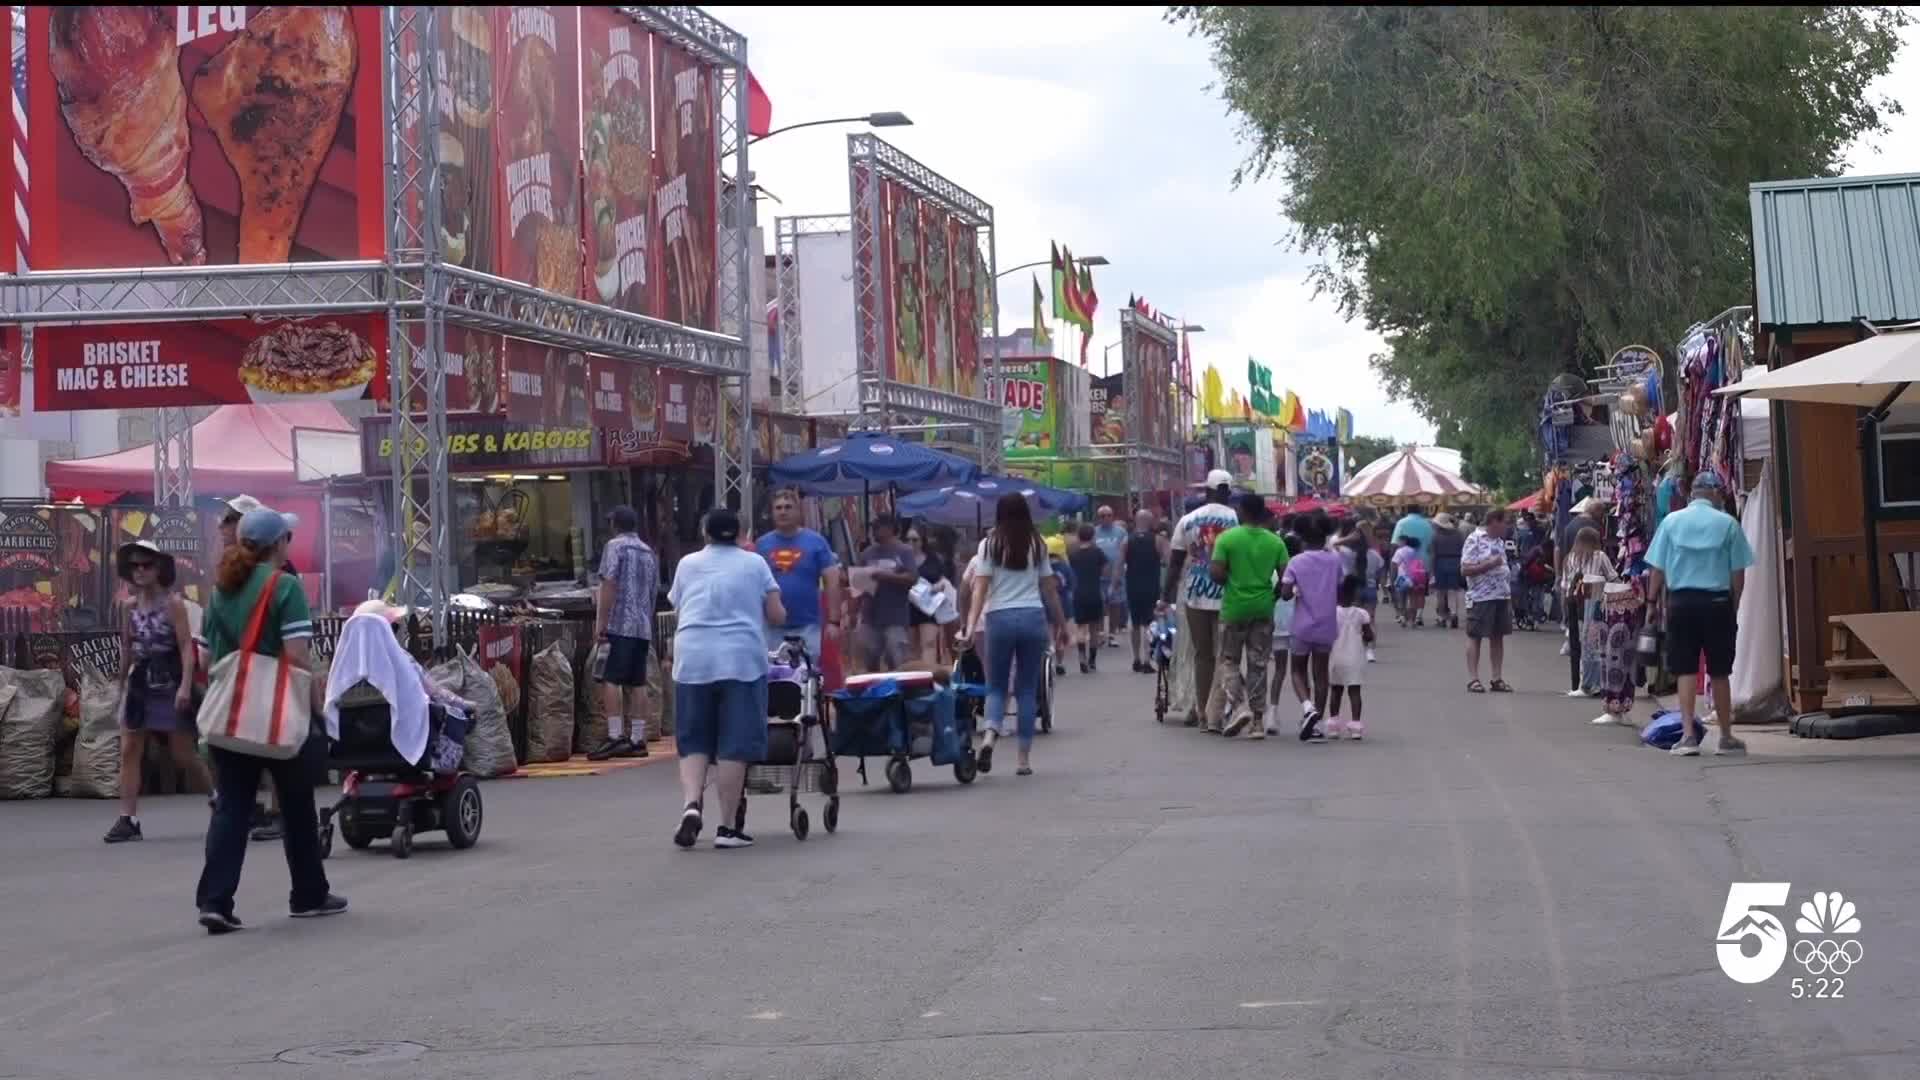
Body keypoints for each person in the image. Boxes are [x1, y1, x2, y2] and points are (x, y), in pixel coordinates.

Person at [195, 508, 344, 934]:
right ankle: (308, 895)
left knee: (231, 807)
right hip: (276, 715)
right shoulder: (285, 586)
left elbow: (204, 659)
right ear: (279, 544)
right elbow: (297, 657)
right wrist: (317, 709)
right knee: (296, 805)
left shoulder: (220, 589)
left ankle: (216, 902)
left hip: (231, 714)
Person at [668, 508, 785, 849]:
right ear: (740, 535)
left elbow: (679, 608)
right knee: (734, 743)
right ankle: (728, 828)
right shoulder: (755, 564)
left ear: (705, 533)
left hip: (693, 657)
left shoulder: (687, 564)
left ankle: (691, 804)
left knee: (694, 739)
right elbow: (776, 614)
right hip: (741, 661)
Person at [958, 494, 1072, 777]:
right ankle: (1023, 759)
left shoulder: (989, 545)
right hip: (1033, 617)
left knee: (996, 687)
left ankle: (989, 736)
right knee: (1026, 690)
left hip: (999, 617)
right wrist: (1062, 624)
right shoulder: (1037, 544)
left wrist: (970, 626)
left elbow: (979, 590)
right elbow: (1049, 589)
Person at [103, 541, 209, 844]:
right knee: (129, 749)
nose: (140, 570)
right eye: (134, 565)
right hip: (140, 683)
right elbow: (127, 648)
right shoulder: (128, 607)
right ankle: (128, 819)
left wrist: (185, 686)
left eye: (146, 565)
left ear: (158, 568)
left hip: (169, 680)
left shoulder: (173, 604)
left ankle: (218, 799)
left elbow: (186, 648)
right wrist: (120, 686)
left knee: (183, 754)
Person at [1646, 472, 1752, 757]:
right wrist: (1735, 604)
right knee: (1720, 670)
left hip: (1681, 603)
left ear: (1692, 494)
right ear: (1715, 493)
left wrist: (1651, 604)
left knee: (1686, 669)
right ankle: (1726, 737)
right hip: (1717, 603)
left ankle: (1688, 736)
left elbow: (1657, 569)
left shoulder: (1671, 522)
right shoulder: (1728, 524)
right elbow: (1738, 572)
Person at [1161, 470, 1242, 730]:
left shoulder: (1187, 520)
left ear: (1207, 491)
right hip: (1227, 594)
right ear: (1228, 492)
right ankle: (1219, 711)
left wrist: (1164, 597)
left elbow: (1175, 563)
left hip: (1195, 594)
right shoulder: (1236, 520)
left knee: (1202, 655)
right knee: (1224, 655)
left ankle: (1202, 711)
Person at [1208, 493, 1287, 738]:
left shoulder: (1226, 539)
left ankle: (1239, 706)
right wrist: (1272, 596)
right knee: (1259, 664)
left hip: (1234, 608)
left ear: (1241, 511)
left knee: (1228, 661)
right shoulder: (1275, 542)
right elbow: (1286, 578)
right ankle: (1258, 723)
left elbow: (1216, 574)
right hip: (1263, 608)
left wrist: (1233, 580)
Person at [589, 506, 658, 761]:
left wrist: (601, 622)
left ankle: (615, 735)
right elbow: (653, 592)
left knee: (611, 679)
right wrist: (646, 620)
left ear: (615, 524)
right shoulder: (648, 552)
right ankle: (638, 739)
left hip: (619, 624)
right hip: (642, 627)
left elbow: (608, 584)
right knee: (638, 682)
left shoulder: (614, 546)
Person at [756, 489, 843, 660]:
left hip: (808, 625)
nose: (783, 512)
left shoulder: (816, 542)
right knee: (775, 674)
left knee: (807, 674)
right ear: (772, 512)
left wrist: (834, 621)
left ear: (798, 511)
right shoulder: (761, 544)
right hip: (771, 627)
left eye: (788, 507)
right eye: (778, 508)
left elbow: (832, 581)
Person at [1281, 513, 1342, 740]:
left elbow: (1285, 594)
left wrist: (1296, 589)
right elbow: (1339, 585)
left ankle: (1308, 708)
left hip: (1302, 626)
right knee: (1321, 674)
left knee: (1297, 670)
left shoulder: (1296, 562)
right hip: (1327, 624)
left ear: (1302, 538)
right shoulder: (1334, 560)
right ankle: (1317, 723)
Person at [852, 516, 917, 673]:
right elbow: (857, 584)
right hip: (870, 615)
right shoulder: (867, 553)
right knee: (869, 657)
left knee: (897, 658)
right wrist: (855, 612)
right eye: (873, 527)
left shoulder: (904, 551)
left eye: (878, 527)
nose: (874, 531)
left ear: (890, 529)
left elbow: (912, 578)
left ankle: (899, 686)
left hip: (895, 616)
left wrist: (886, 576)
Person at [1461, 508, 1515, 693]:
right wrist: (1489, 564)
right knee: (1475, 635)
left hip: (1501, 595)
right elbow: (1465, 569)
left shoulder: (1499, 541)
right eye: (1504, 522)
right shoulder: (1474, 539)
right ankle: (1473, 679)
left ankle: (1496, 678)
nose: (1507, 526)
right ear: (1494, 521)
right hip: (1481, 596)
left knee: (1497, 636)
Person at [1560, 525, 1617, 698]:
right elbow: (1613, 578)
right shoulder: (1600, 556)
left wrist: (1564, 612)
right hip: (1595, 604)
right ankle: (1594, 683)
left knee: (1579, 645)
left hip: (1574, 605)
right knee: (1594, 644)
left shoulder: (1569, 558)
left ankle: (1580, 683)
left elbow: (1565, 586)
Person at [1324, 576, 1375, 741]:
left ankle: (1333, 725)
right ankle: (1356, 727)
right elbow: (1369, 636)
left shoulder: (1332, 613)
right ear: (1354, 595)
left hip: (1336, 656)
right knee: (1354, 691)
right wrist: (1364, 636)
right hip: (1355, 656)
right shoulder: (1361, 614)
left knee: (1336, 690)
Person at [1265, 529, 1303, 730]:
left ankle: (1272, 712)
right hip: (1298, 626)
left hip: (1276, 624)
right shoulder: (1301, 570)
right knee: (1301, 671)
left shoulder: (1273, 571)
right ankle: (1307, 712)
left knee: (1279, 671)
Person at [906, 525, 955, 664]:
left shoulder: (933, 559)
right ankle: (916, 674)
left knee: (929, 644)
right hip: (907, 607)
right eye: (908, 540)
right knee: (912, 648)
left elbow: (943, 580)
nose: (911, 543)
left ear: (922, 541)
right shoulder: (903, 559)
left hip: (928, 607)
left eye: (915, 540)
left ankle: (928, 673)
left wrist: (938, 586)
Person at [1122, 510, 1163, 674]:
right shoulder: (1157, 540)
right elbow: (1168, 559)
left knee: (1135, 623)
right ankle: (1147, 660)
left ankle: (1136, 658)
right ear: (1149, 521)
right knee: (1149, 623)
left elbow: (1119, 562)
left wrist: (1115, 582)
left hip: (1132, 585)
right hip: (1151, 585)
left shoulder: (1127, 540)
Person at [1067, 523, 1109, 673]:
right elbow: (1105, 571)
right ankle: (1092, 660)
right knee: (1094, 629)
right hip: (1094, 592)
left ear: (1079, 536)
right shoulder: (1098, 552)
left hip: (1079, 593)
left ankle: (1081, 658)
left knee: (1081, 628)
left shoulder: (1073, 554)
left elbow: (1070, 573)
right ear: (1093, 536)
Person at [1389, 505, 1435, 626]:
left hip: (1403, 566)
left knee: (1402, 593)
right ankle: (1417, 616)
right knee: (1419, 593)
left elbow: (1394, 544)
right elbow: (1431, 546)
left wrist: (1392, 566)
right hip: (1422, 565)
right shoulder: (1427, 524)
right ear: (1420, 511)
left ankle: (1403, 615)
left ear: (1406, 510)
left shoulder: (1401, 523)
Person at [1092, 504, 1129, 648]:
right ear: (1098, 518)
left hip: (1117, 574)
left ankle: (1112, 634)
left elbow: (1126, 551)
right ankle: (1101, 633)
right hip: (1098, 576)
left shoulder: (1121, 532)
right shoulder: (1094, 532)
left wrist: (1123, 569)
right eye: (1102, 516)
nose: (1106, 518)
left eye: (1109, 515)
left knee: (1115, 604)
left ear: (1113, 516)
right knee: (1100, 605)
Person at [1429, 513, 1466, 629]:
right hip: (1456, 562)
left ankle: (1442, 618)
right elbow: (1464, 550)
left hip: (1440, 563)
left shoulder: (1435, 536)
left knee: (1440, 592)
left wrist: (1431, 571)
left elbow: (1433, 554)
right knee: (1453, 591)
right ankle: (1454, 614)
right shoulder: (1458, 534)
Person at [1391, 536, 1428, 628]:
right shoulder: (1417, 552)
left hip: (1402, 578)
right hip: (1415, 578)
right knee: (1413, 600)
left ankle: (1403, 618)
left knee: (1402, 599)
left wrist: (1392, 578)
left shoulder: (1400, 551)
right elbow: (1423, 566)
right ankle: (1412, 621)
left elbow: (1394, 564)